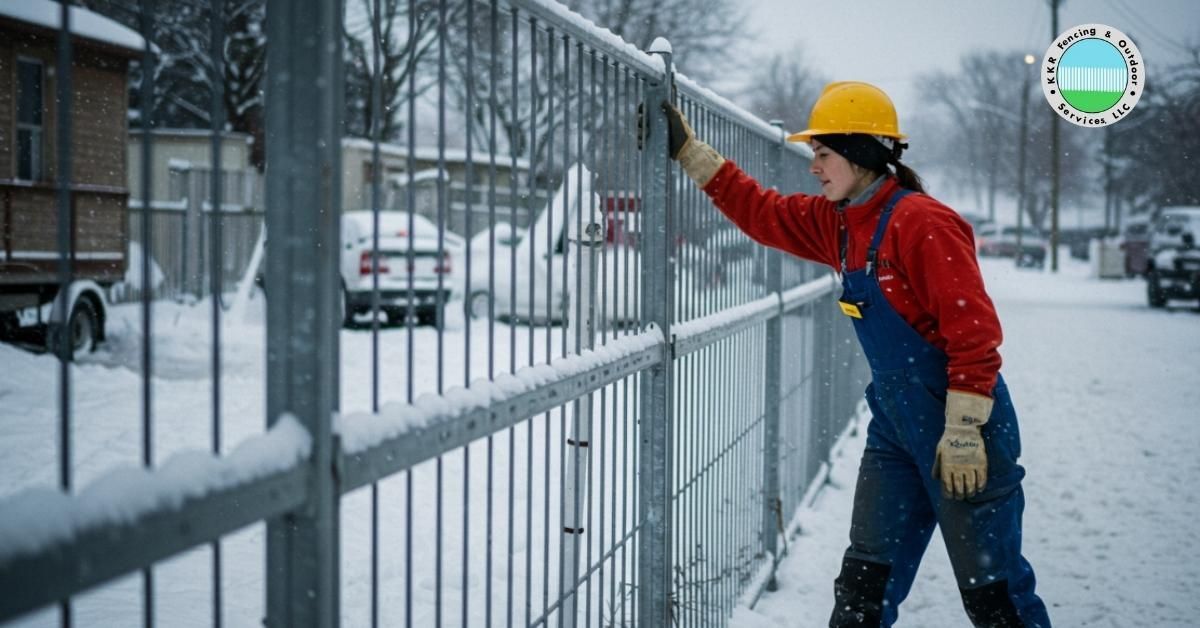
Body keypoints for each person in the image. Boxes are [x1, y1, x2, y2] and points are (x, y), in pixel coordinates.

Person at [653, 82, 1051, 627]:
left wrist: (962, 428)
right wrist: (691, 154)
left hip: (964, 429)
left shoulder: (922, 223)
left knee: (995, 596)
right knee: (863, 588)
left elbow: (974, 332)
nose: (813, 167)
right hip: (894, 430)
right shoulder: (836, 222)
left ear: (861, 154)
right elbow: (761, 211)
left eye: (823, 154)